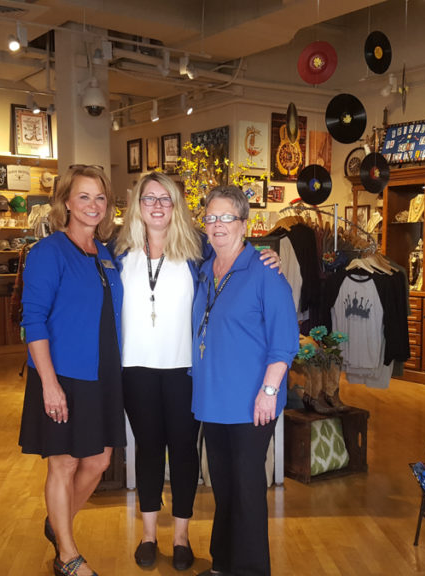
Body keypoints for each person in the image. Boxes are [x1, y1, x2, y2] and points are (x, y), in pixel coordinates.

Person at [114, 173, 283, 571]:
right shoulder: (116, 254)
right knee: (149, 450)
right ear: (137, 205)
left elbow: (235, 247)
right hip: (135, 368)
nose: (157, 205)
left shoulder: (196, 252)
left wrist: (264, 252)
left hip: (185, 372)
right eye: (149, 198)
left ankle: (182, 538)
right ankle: (150, 534)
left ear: (177, 207)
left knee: (186, 454)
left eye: (166, 199)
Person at [19, 165, 124, 576]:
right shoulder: (49, 252)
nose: (93, 205)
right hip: (62, 375)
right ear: (66, 201)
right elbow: (34, 319)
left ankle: (57, 523)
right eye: (84, 197)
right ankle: (67, 554)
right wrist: (48, 384)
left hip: (103, 374)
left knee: (98, 460)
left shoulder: (108, 253)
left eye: (100, 198)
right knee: (62, 463)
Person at [191, 185, 298, 576]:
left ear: (244, 223)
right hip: (213, 399)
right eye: (211, 218)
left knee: (248, 488)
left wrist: (269, 391)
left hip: (252, 402)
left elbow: (284, 342)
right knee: (223, 485)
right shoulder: (206, 269)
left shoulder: (265, 273)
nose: (217, 226)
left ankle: (252, 569)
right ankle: (223, 564)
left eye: (227, 218)